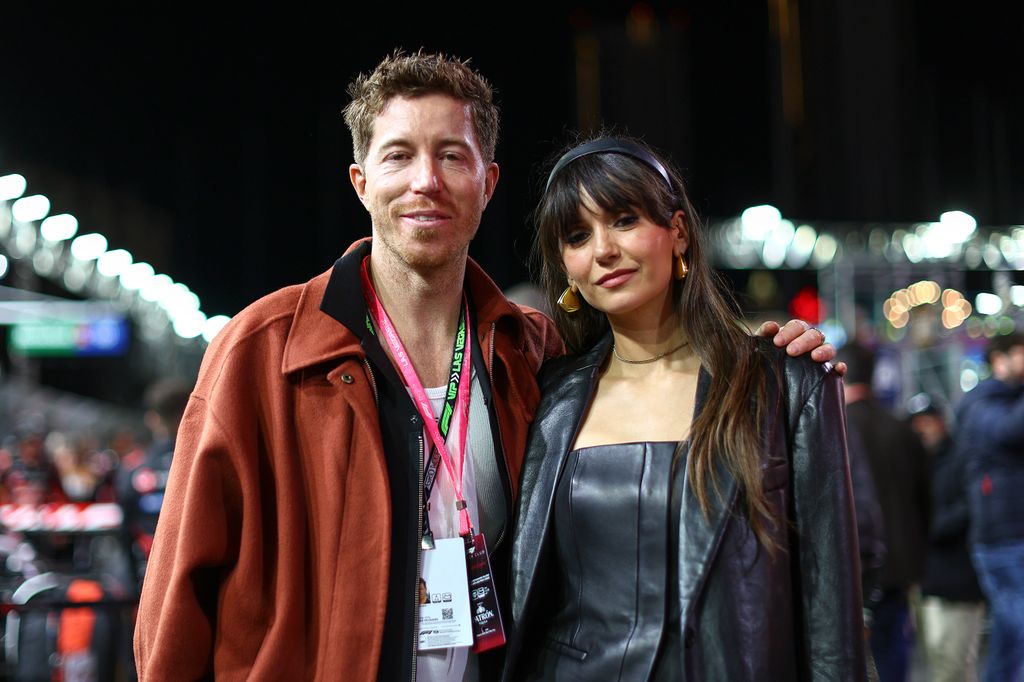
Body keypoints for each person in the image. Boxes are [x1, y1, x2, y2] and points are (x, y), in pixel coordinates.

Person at [134, 53, 837, 681]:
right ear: (359, 181)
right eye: (398, 156)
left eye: (451, 156)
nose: (425, 182)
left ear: (488, 181)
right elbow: (175, 597)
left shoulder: (532, 357)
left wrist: (774, 356)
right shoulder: (267, 350)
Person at [504, 136, 865, 680]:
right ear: (567, 267)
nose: (603, 249)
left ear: (677, 231)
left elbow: (830, 605)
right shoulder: (544, 397)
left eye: (624, 220)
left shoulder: (785, 382)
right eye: (578, 235)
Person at [837, 343, 930, 682]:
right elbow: (925, 501)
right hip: (899, 569)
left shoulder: (830, 429)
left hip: (849, 573)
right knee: (893, 657)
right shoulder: (901, 429)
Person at [956, 333, 1024, 682]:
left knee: (1011, 638)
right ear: (998, 360)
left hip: (1011, 534)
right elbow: (1008, 430)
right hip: (1001, 538)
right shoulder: (981, 404)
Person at [907, 395, 985, 682]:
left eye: (927, 421)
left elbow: (970, 507)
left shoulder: (963, 457)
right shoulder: (916, 463)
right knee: (937, 659)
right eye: (916, 423)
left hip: (959, 577)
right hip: (926, 579)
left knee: (953, 662)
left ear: (942, 421)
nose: (922, 428)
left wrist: (925, 527)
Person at [115, 377, 193, 591]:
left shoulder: (133, 467)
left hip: (150, 575)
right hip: (200, 573)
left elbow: (125, 532)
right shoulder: (206, 462)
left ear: (152, 418)